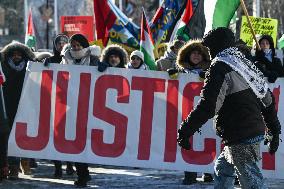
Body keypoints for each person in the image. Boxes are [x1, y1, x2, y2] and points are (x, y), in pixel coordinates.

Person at [177, 27, 281, 189]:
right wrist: (275, 129)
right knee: (223, 169)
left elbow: (209, 105)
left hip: (240, 132)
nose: (209, 53)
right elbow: (267, 98)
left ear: (217, 46)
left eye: (209, 48)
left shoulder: (219, 66)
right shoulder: (245, 62)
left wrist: (185, 130)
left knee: (252, 181)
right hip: (249, 130)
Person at [61, 33, 101, 187]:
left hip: (89, 106)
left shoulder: (93, 60)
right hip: (71, 105)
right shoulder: (64, 60)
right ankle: (82, 174)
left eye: (79, 45)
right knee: (75, 140)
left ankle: (85, 172)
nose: (76, 48)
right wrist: (47, 65)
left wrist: (104, 68)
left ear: (85, 46)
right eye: (74, 45)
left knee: (86, 140)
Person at [169, 39, 212, 184]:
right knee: (188, 141)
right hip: (185, 113)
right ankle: (189, 173)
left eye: (199, 53)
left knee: (207, 140)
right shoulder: (180, 73)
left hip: (205, 113)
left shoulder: (211, 72)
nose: (196, 56)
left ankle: (208, 172)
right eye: (193, 53)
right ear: (187, 55)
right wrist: (168, 76)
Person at [0, 41, 35, 179]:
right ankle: (9, 166)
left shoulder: (31, 67)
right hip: (6, 107)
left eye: (19, 54)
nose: (16, 57)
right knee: (7, 138)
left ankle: (18, 165)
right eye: (13, 54)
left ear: (24, 55)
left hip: (25, 106)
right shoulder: (2, 66)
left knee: (21, 137)